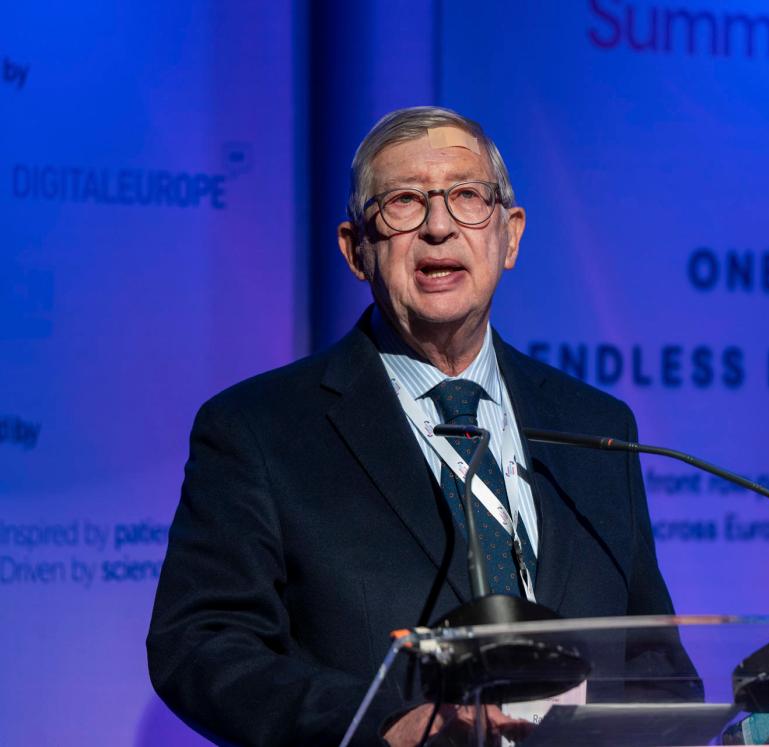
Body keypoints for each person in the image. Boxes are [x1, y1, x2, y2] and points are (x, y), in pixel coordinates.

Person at [147, 106, 685, 746]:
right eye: (403, 202)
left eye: (466, 197)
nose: (438, 227)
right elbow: (203, 647)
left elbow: (655, 661)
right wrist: (389, 728)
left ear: (509, 236)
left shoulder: (598, 425)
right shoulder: (258, 430)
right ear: (355, 250)